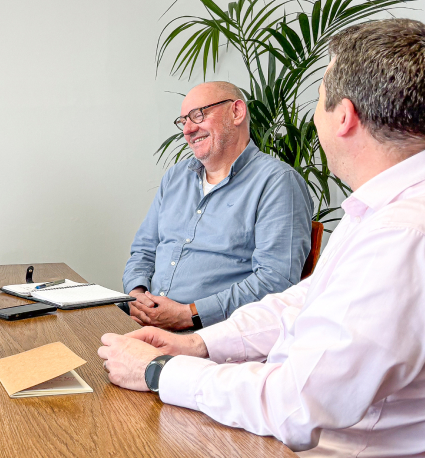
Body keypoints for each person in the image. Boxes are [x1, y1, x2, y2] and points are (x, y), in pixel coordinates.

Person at [99, 19, 425, 457]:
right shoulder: (398, 205)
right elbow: (306, 299)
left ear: (344, 116)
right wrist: (197, 344)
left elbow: (297, 406)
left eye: (319, 98)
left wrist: (161, 370)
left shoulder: (406, 238)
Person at [123, 81, 312, 330]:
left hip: (213, 340)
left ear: (236, 112)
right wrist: (137, 293)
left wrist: (189, 314)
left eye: (198, 115)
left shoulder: (277, 182)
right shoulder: (176, 177)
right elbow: (144, 250)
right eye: (183, 121)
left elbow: (275, 281)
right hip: (146, 325)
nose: (188, 129)